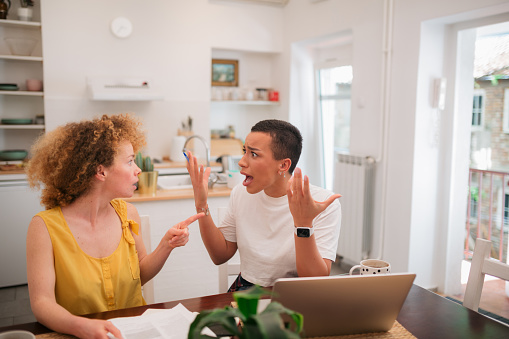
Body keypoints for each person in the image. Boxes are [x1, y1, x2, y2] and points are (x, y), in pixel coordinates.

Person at [25, 114, 204, 339]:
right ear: (101, 171)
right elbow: (42, 304)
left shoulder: (128, 214)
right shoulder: (44, 227)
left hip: (133, 331)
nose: (138, 169)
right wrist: (82, 327)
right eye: (130, 161)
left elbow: (140, 274)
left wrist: (166, 245)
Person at [186, 119, 341, 291]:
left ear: (283, 165)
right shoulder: (240, 193)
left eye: (254, 154)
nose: (241, 162)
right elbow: (219, 255)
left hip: (295, 295)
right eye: (245, 151)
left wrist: (303, 224)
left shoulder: (320, 203)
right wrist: (201, 204)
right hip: (246, 291)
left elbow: (314, 281)